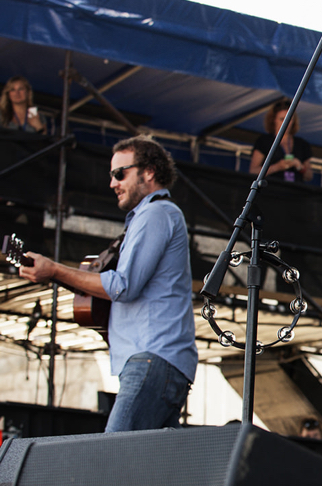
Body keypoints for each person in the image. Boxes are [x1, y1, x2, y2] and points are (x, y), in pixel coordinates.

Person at [18, 135, 198, 432]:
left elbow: (123, 287)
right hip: (158, 361)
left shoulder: (156, 213)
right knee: (154, 472)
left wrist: (54, 269)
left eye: (120, 174)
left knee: (111, 460)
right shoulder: (150, 216)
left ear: (149, 172)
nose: (112, 183)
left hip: (153, 359)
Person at [249, 97, 313, 182]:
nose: (286, 123)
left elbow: (309, 176)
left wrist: (299, 166)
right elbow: (253, 171)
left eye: (289, 119)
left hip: (294, 191)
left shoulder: (302, 144)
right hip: (270, 189)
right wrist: (277, 167)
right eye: (282, 119)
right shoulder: (264, 141)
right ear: (274, 120)